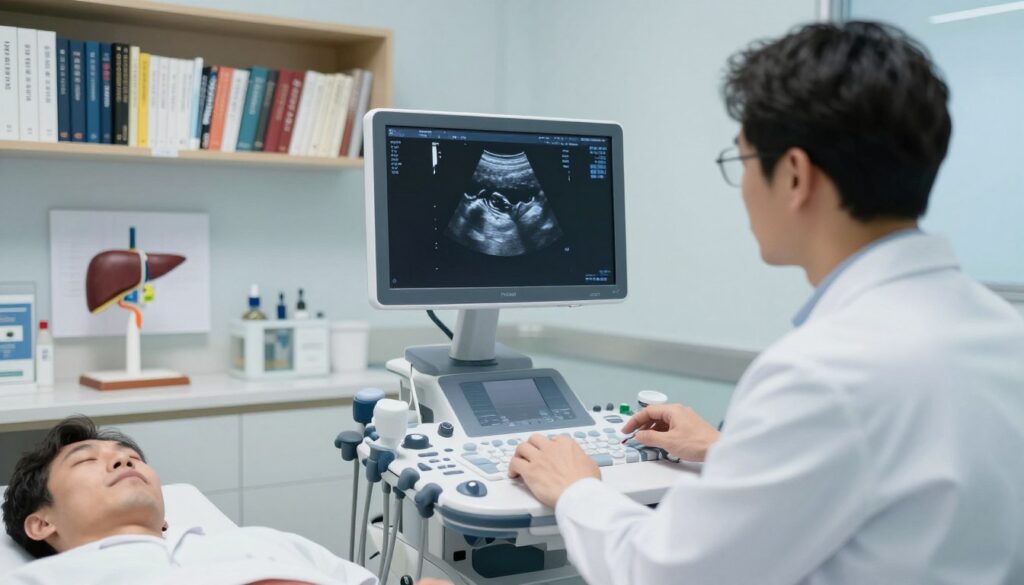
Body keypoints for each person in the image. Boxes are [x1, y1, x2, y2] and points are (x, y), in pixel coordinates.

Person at [502, 21, 1024, 585]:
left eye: (744, 161)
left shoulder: (821, 374)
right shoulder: (1001, 332)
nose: (745, 188)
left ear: (795, 175)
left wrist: (576, 488)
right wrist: (728, 453)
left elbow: (664, 574)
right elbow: (889, 486)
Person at [2, 415, 376, 585]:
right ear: (41, 523)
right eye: (85, 460)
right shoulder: (45, 579)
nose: (123, 460)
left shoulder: (265, 541)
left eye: (131, 458)